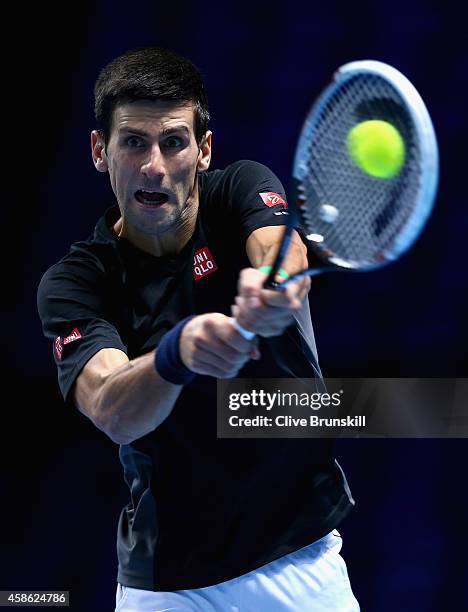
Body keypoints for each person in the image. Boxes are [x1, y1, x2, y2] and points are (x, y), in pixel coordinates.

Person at [37, 47, 359, 611]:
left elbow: (281, 253)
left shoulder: (239, 191)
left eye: (174, 142)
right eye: (133, 142)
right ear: (99, 151)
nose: (154, 166)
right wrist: (175, 355)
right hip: (166, 584)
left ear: (204, 150)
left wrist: (274, 286)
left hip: (300, 557)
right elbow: (112, 411)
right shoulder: (76, 283)